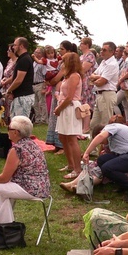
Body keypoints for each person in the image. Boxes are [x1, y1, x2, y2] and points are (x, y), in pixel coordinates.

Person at [0, 116, 50, 241]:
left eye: (9, 128)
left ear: (16, 132)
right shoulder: (32, 144)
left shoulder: (16, 149)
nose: (7, 130)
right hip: (42, 187)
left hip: (29, 188)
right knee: (1, 192)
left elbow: (4, 178)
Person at [79, 116, 128, 203]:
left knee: (107, 168)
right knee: (102, 160)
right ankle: (124, 184)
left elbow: (100, 136)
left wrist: (87, 152)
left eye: (101, 142)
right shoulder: (117, 138)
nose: (101, 143)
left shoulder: (111, 127)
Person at [55, 51, 83, 180]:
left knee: (71, 138)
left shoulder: (74, 76)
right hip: (64, 107)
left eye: (64, 60)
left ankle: (77, 169)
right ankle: (71, 164)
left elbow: (70, 97)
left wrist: (59, 108)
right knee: (63, 137)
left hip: (70, 108)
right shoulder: (67, 76)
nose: (61, 62)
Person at [90, 42, 119, 129]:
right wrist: (98, 77)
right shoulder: (103, 62)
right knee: (94, 124)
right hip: (99, 94)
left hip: (107, 94)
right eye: (101, 49)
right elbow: (92, 76)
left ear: (112, 52)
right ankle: (94, 141)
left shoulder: (112, 64)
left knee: (105, 123)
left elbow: (100, 82)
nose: (101, 51)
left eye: (104, 50)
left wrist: (96, 79)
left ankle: (106, 142)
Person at [6, 37, 35, 119]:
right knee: (15, 122)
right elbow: (15, 77)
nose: (13, 47)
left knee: (20, 124)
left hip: (23, 97)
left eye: (15, 45)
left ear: (21, 46)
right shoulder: (21, 59)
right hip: (19, 96)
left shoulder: (24, 60)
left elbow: (19, 80)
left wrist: (9, 90)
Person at [79, 37, 98, 133]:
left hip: (87, 82)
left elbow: (83, 69)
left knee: (86, 104)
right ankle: (83, 126)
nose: (80, 45)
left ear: (87, 45)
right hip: (81, 82)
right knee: (82, 104)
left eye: (82, 43)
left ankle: (86, 127)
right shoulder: (82, 56)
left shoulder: (90, 56)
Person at [0, 44, 17, 125]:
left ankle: (12, 122)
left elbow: (14, 76)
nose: (7, 52)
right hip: (5, 85)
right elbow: (6, 73)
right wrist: (3, 80)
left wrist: (6, 82)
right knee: (6, 104)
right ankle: (6, 122)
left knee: (11, 104)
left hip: (12, 85)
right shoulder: (9, 61)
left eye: (9, 50)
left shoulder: (17, 62)